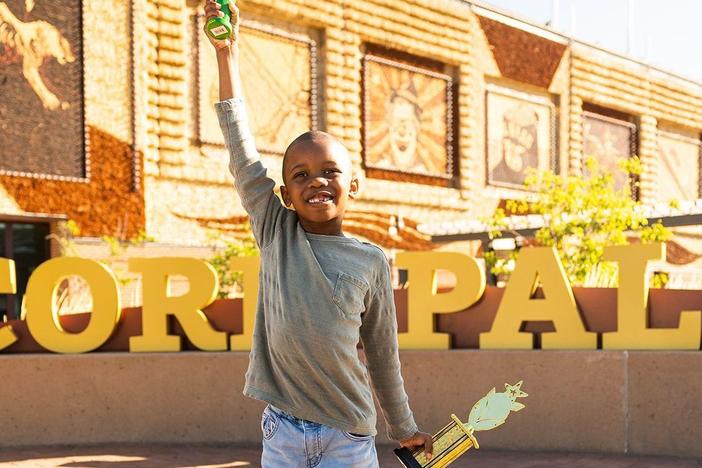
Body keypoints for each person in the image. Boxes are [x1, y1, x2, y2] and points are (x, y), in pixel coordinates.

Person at [204, 1, 433, 466]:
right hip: (283, 430)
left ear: (353, 184)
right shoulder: (275, 231)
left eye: (330, 171)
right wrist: (226, 54)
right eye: (301, 175)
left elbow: (383, 357)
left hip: (348, 436)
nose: (316, 182)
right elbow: (241, 149)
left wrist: (405, 428)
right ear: (285, 192)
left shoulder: (371, 261)